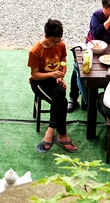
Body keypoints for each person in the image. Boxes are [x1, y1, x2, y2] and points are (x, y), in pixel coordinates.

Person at [27, 19, 77, 153]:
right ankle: (61, 135)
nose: (57, 44)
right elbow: (35, 75)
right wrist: (51, 75)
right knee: (62, 101)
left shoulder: (60, 45)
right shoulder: (36, 51)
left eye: (59, 41)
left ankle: (52, 132)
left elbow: (63, 62)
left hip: (54, 79)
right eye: (53, 41)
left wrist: (61, 76)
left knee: (61, 96)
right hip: (39, 83)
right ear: (46, 36)